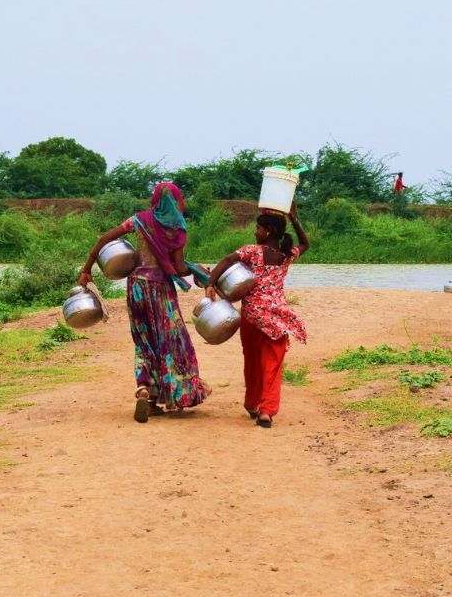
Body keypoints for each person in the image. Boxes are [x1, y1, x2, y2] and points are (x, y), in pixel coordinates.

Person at [78, 181, 210, 423]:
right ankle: (176, 394)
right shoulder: (178, 229)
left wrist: (87, 269)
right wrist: (197, 270)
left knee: (144, 340)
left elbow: (103, 239)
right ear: (178, 200)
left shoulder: (138, 220)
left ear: (156, 200)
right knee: (170, 340)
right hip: (160, 288)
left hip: (136, 286)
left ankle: (145, 390)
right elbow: (179, 268)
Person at [206, 203, 309, 428]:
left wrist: (211, 282)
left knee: (252, 361)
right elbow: (305, 243)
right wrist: (294, 217)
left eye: (258, 228)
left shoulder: (252, 251)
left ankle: (253, 403)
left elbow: (227, 260)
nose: (255, 231)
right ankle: (266, 411)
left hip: (251, 315)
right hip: (276, 317)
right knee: (272, 363)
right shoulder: (286, 254)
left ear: (268, 231)